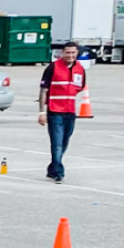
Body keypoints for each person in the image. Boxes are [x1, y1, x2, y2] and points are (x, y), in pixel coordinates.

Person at [38, 41, 86, 183]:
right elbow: (43, 91)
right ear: (62, 53)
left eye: (73, 53)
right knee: (57, 143)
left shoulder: (80, 69)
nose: (70, 55)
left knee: (64, 142)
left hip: (70, 112)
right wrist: (41, 112)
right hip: (55, 111)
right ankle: (59, 172)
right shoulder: (53, 68)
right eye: (67, 52)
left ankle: (53, 168)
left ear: (77, 53)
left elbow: (80, 87)